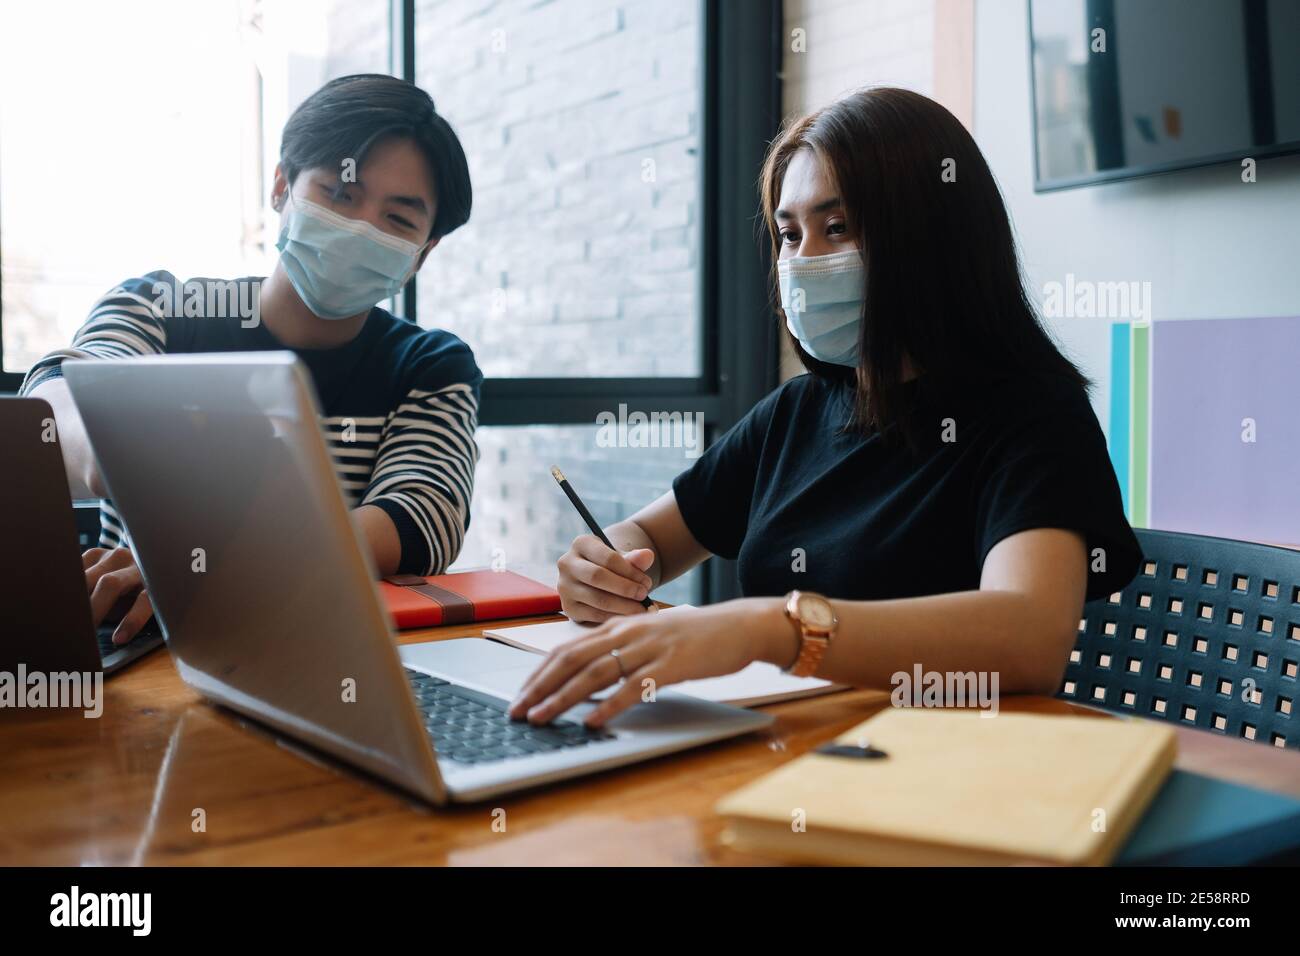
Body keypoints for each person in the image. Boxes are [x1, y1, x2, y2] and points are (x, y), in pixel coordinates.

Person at [509, 87, 1142, 728]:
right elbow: (647, 540)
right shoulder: (797, 411)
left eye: (836, 227)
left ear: (931, 235)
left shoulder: (1033, 413)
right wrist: (603, 567)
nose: (802, 261)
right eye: (789, 234)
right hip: (781, 743)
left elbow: (1027, 638)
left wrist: (772, 629)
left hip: (931, 771)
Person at [21, 74, 481, 644]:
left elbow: (419, 517)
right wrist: (105, 441)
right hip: (143, 643)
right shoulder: (162, 309)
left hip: (330, 651)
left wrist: (221, 564)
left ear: (422, 254)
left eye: (398, 220)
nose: (361, 227)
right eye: (340, 194)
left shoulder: (429, 365)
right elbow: (55, 396)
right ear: (281, 186)